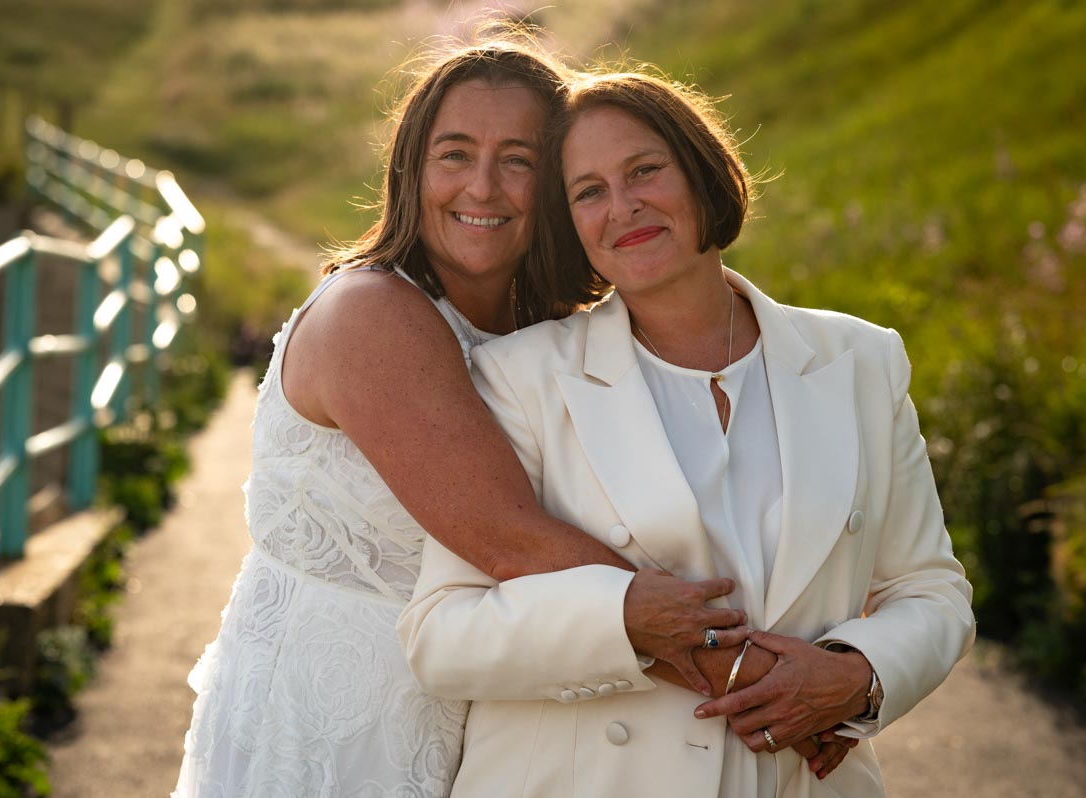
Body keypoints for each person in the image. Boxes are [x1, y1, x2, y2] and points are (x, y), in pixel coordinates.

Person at [172, 37, 760, 798]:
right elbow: (509, 538)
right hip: (337, 718)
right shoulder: (373, 313)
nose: (483, 187)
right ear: (411, 171)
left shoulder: (546, 334)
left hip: (493, 718)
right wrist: (744, 675)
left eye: (518, 160)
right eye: (455, 154)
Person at [398, 69, 976, 797]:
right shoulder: (520, 377)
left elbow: (931, 587)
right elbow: (441, 635)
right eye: (589, 192)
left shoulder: (860, 360)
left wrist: (858, 675)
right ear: (570, 224)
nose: (623, 206)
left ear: (704, 175)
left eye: (645, 171)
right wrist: (623, 619)